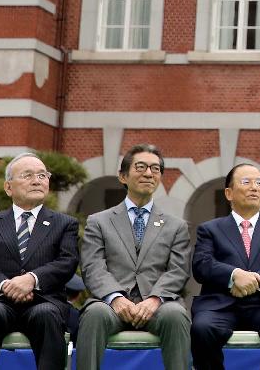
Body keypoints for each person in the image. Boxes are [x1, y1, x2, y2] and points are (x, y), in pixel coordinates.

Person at [79, 146, 192, 370]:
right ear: (123, 176)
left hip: (158, 305)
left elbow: (178, 270)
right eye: (140, 167)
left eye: (155, 169)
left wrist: (155, 299)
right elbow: (93, 266)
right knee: (94, 314)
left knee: (176, 315)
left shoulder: (176, 226)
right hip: (111, 305)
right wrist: (116, 298)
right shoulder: (99, 221)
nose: (149, 173)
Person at [0, 153, 80, 370]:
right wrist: (6, 286)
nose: (37, 180)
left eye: (42, 175)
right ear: (8, 187)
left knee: (46, 315)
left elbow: (67, 262)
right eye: (28, 175)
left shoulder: (65, 224)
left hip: (44, 300)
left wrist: (32, 279)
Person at [190, 163, 260, 370]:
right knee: (202, 329)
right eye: (246, 182)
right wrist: (234, 275)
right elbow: (201, 265)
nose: (254, 187)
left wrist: (254, 279)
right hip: (220, 305)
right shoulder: (210, 229)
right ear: (229, 193)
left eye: (259, 182)